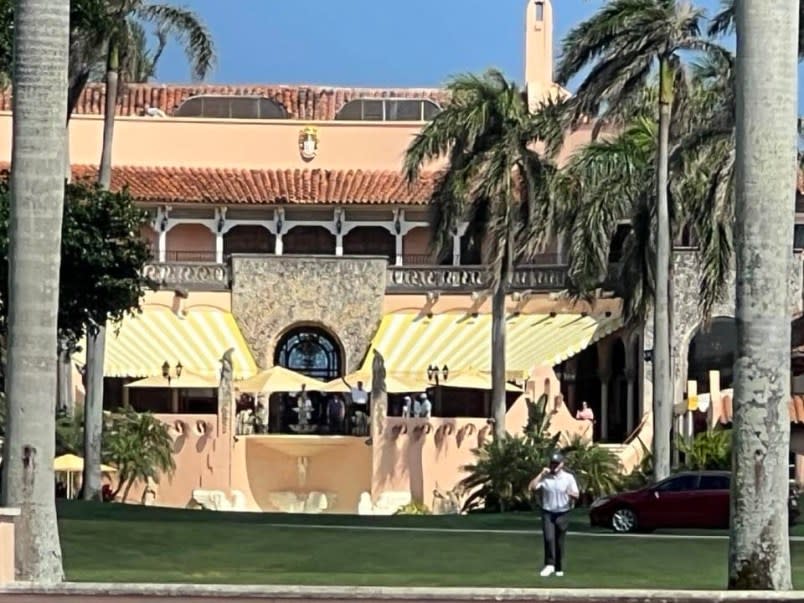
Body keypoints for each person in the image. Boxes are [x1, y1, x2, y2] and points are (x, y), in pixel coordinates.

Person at [528, 451, 579, 577]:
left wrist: (570, 494)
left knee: (559, 541)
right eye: (552, 464)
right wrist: (540, 474)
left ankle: (559, 568)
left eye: (556, 464)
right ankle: (549, 564)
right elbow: (532, 487)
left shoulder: (568, 478)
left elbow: (576, 495)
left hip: (563, 512)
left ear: (562, 464)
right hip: (548, 512)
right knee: (549, 538)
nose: (554, 466)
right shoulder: (545, 477)